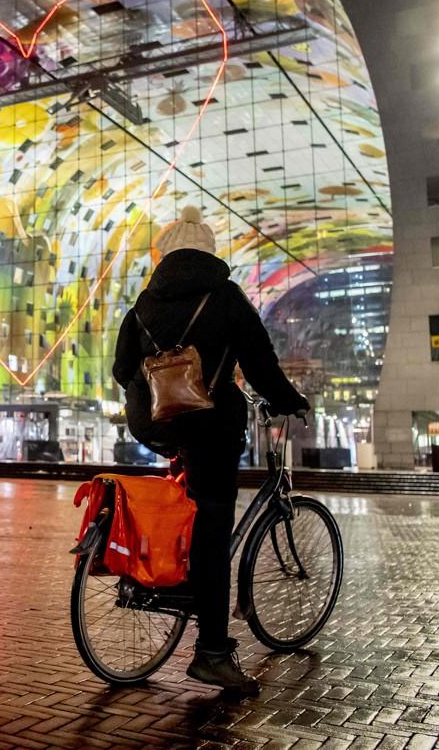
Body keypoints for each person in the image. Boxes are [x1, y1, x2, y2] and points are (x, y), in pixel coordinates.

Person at [112, 205, 309, 695]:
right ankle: (213, 654)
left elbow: (121, 369)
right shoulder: (224, 296)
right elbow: (260, 363)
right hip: (213, 430)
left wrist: (164, 386)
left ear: (169, 251)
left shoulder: (143, 304)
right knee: (216, 528)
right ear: (209, 249)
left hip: (158, 427)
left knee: (191, 507)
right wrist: (290, 399)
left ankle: (174, 576)